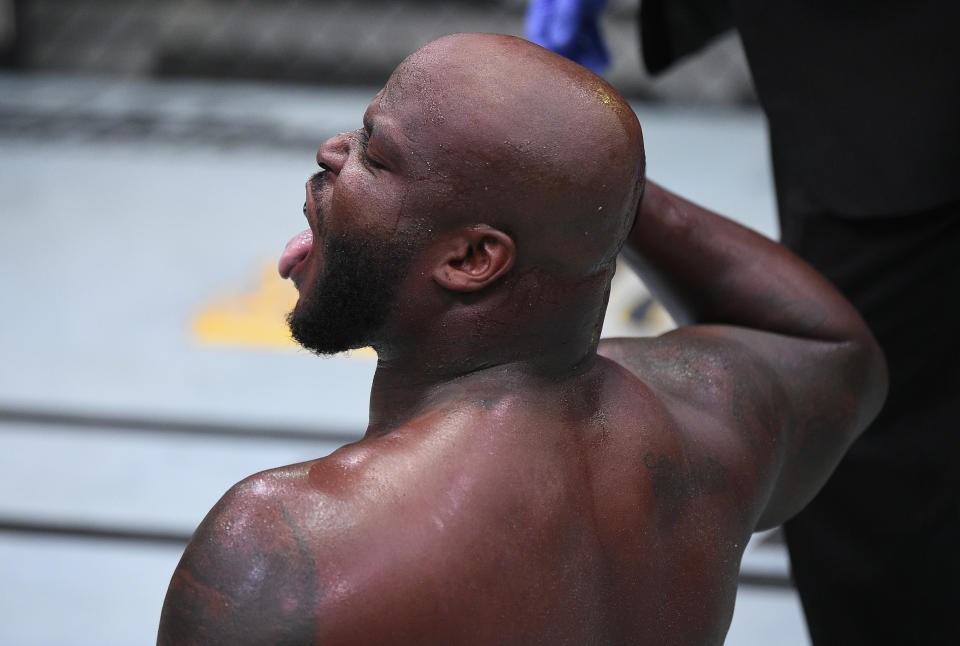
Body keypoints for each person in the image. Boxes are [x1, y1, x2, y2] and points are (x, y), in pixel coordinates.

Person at [157, 33, 886, 645]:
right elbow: (827, 344)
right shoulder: (706, 426)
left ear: (472, 261)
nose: (332, 150)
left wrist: (585, 184)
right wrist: (590, 191)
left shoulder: (283, 550)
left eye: (375, 157)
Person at [528, 2, 960, 642]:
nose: (335, 155)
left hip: (896, 87)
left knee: (868, 438)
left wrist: (609, 189)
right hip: (871, 91)